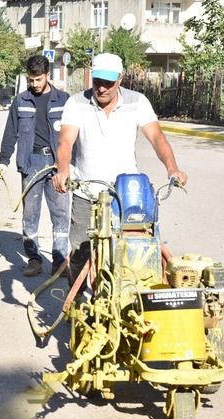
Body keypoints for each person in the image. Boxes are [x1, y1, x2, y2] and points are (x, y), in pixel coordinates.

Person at [52, 53, 188, 288]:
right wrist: (63, 170)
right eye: (97, 82)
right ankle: (74, 306)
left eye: (108, 83)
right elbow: (66, 141)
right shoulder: (76, 103)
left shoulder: (137, 102)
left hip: (125, 194)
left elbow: (157, 138)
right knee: (79, 251)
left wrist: (173, 168)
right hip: (87, 190)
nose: (102, 88)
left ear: (121, 79)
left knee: (133, 249)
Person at [0, 55, 71, 277]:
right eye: (31, 80)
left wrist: (69, 165)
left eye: (38, 79)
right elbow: (11, 133)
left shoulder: (64, 100)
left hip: (57, 164)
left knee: (61, 214)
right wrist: (3, 161)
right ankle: (34, 259)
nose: (35, 84)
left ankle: (60, 261)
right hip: (31, 163)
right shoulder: (21, 101)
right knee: (30, 214)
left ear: (47, 75)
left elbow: (72, 136)